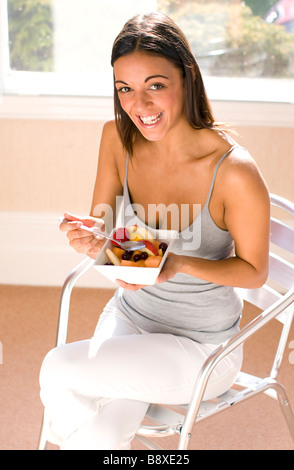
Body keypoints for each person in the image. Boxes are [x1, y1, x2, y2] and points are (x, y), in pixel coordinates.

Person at [39, 12, 270, 450]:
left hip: (201, 350)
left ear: (187, 78)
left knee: (59, 367)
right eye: (125, 89)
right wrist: (92, 236)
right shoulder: (117, 139)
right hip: (131, 318)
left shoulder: (233, 172)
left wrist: (177, 263)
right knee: (100, 439)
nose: (138, 106)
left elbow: (254, 272)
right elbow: (109, 234)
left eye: (155, 86)